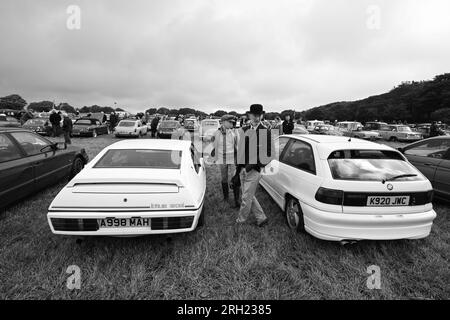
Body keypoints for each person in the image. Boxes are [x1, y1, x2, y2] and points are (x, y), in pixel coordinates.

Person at [234, 104, 275, 227]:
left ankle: (240, 221)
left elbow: (269, 154)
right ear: (249, 115)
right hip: (242, 168)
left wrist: (250, 167)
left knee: (246, 197)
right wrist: (238, 170)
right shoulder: (245, 130)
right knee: (248, 195)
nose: (256, 118)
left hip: (254, 169)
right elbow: (241, 151)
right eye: (254, 115)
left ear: (262, 116)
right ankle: (261, 218)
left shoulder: (265, 131)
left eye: (259, 115)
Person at [211, 114, 239, 207]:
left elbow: (238, 147)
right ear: (223, 122)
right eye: (230, 122)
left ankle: (236, 200)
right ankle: (226, 198)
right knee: (224, 178)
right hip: (222, 159)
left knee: (235, 178)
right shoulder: (216, 133)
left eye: (232, 122)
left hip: (232, 158)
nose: (232, 123)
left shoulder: (234, 132)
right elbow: (214, 144)